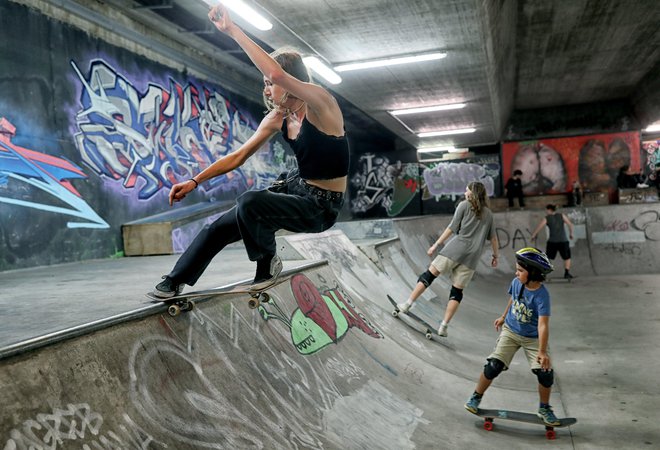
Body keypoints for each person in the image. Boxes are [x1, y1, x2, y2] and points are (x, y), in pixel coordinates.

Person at [152, 4, 349, 298]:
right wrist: (194, 181)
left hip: (321, 207)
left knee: (250, 202)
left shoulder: (322, 104)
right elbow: (237, 157)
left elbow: (276, 72)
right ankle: (175, 280)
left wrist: (232, 29)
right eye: (265, 84)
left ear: (290, 80)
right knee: (219, 227)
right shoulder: (277, 118)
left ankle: (267, 263)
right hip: (296, 189)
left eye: (271, 84)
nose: (267, 89)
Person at [464, 247, 561, 426]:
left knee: (546, 374)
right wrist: (503, 316)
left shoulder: (542, 295)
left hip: (533, 338)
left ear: (533, 273)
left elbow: (543, 324)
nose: (516, 273)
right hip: (511, 331)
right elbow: (513, 298)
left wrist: (542, 351)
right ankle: (476, 397)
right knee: (493, 366)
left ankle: (544, 408)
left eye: (520, 270)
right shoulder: (517, 282)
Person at [396, 182, 499, 337]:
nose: (464, 192)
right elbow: (493, 238)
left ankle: (407, 305)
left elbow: (451, 228)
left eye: (467, 190)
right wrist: (495, 256)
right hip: (472, 257)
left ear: (472, 193)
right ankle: (443, 326)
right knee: (457, 292)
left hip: (455, 249)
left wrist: (435, 245)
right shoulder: (489, 214)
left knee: (428, 276)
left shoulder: (464, 205)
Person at [530, 204, 574, 279]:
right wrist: (571, 234)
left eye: (546, 210)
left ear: (549, 210)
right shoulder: (562, 216)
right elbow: (570, 225)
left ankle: (544, 273)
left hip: (552, 241)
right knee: (567, 257)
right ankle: (567, 273)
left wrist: (533, 235)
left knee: (548, 257)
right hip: (563, 240)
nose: (546, 212)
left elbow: (539, 227)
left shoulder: (547, 218)